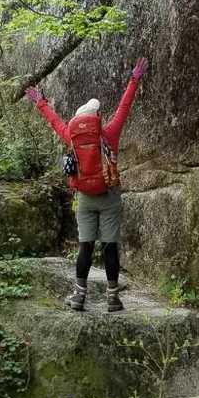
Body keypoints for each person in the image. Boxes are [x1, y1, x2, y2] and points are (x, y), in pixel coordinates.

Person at [25, 57, 148, 312]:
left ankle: (79, 296)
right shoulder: (110, 134)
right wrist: (134, 79)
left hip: (84, 198)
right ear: (98, 118)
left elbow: (55, 121)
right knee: (110, 246)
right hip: (109, 196)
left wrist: (40, 102)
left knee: (86, 247)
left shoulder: (71, 137)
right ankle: (112, 298)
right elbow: (124, 107)